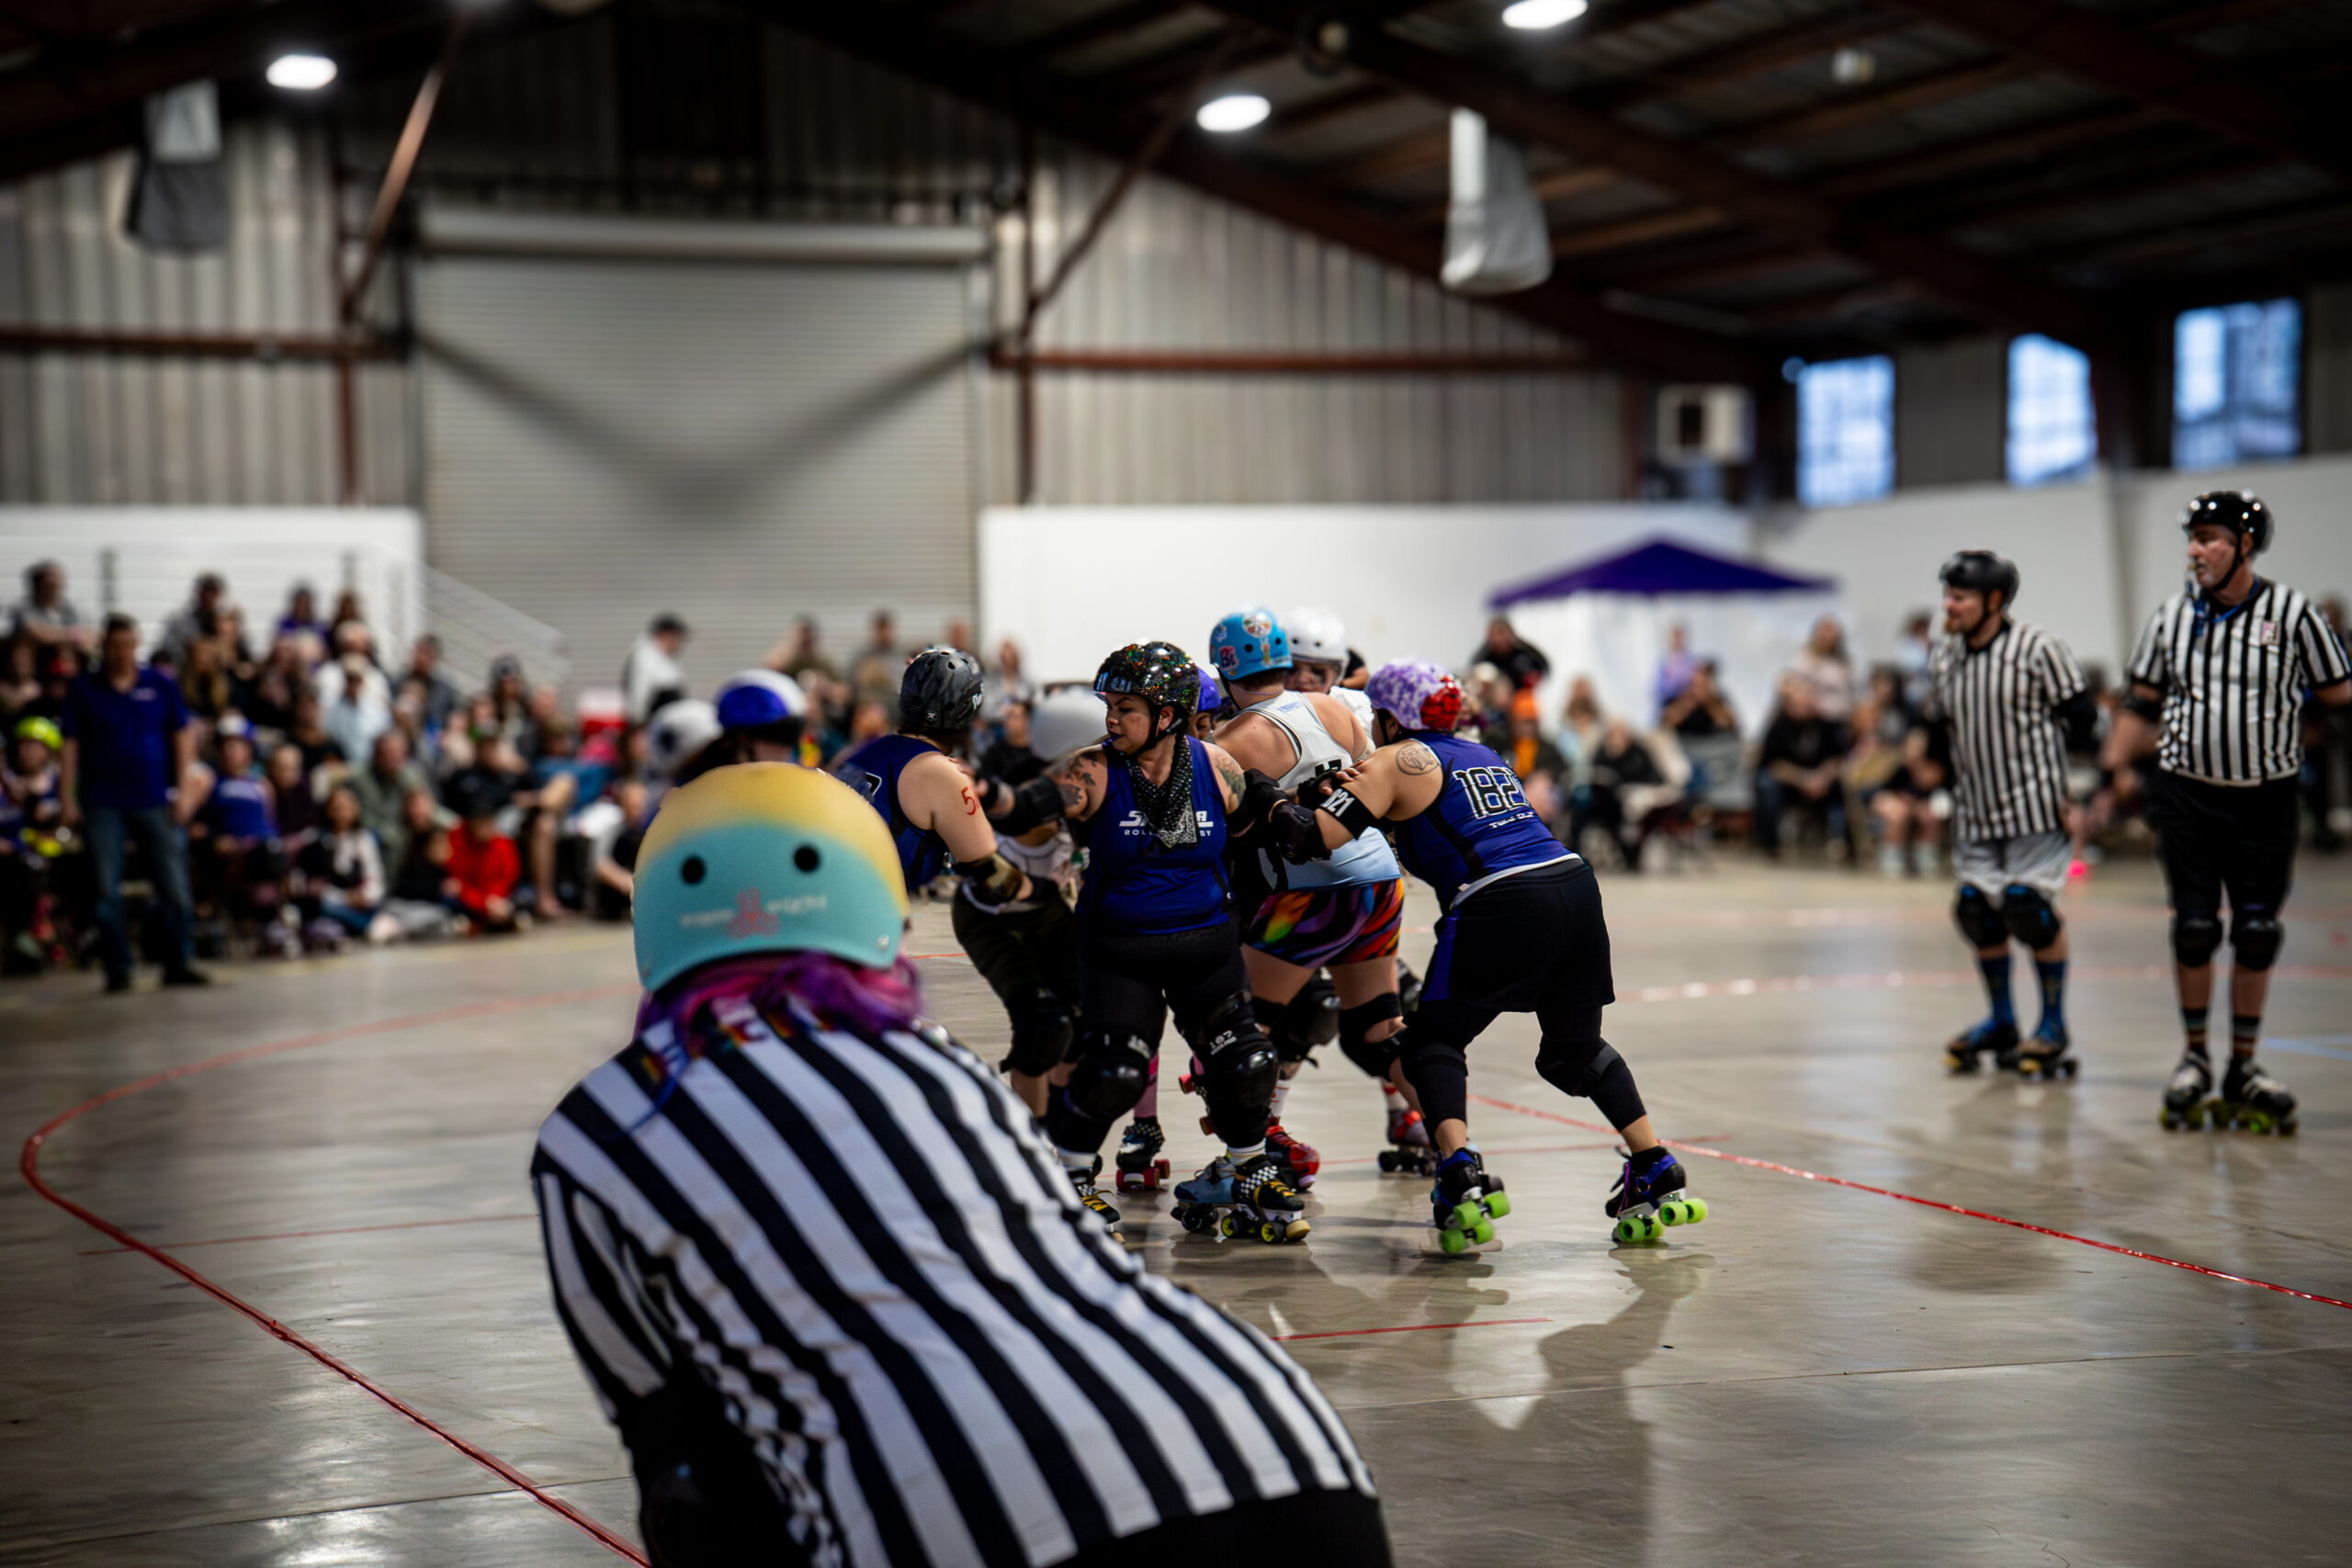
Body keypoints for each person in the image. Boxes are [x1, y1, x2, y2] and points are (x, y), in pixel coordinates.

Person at [530, 762, 1388, 1568]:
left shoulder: (602, 1127)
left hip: (984, 1507)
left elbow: (681, 1468)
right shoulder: (944, 1067)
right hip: (1277, 1445)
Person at [1270, 660, 1707, 1250]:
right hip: (1574, 884)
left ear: (1392, 719)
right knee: (1572, 1053)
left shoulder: (1396, 758)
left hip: (1501, 899)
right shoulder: (1484, 755)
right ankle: (1654, 1162)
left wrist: (1266, 797)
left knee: (1430, 1044)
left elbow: (1310, 838)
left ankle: (1458, 1172)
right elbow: (1433, 824)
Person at [1034, 641, 1301, 1239]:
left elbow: (1254, 825)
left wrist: (1284, 808)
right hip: (1119, 950)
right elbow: (1032, 813)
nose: (1111, 719)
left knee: (1248, 1061)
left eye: (1125, 708)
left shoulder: (1215, 764)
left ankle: (1247, 1166)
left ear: (1167, 715)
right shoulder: (1091, 769)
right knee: (1117, 1072)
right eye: (1108, 706)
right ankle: (1068, 1175)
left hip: (1207, 947)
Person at [2104, 492, 2351, 1133]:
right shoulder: (2170, 617)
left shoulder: (2293, 613)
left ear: (2244, 545)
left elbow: (2339, 694)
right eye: (2192, 538)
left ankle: (2243, 1064)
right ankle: (2194, 1057)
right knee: (2193, 928)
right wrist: (2108, 776)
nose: (2195, 550)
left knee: (2258, 930)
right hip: (2185, 795)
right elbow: (2140, 702)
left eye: (2209, 537)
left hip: (2266, 799)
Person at [1211, 608, 1411, 1191]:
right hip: (1381, 882)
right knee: (1381, 1027)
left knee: (1239, 1029)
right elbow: (1378, 785)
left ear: (1225, 674)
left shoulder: (1231, 742)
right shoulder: (1334, 708)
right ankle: (1454, 1145)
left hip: (1311, 894)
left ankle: (1246, 1161)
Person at [1927, 552, 2098, 1076]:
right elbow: (1940, 732)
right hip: (1976, 815)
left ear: (1994, 601)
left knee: (2028, 910)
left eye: (1960, 597)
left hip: (2035, 811)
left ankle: (2052, 1025)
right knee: (1977, 913)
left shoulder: (2038, 650)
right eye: (1948, 595)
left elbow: (2084, 719)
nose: (1949, 606)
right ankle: (2002, 1021)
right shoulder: (1946, 657)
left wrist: (2078, 792)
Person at [958, 687, 1094, 1118]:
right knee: (1043, 1026)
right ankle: (1029, 1138)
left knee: (1085, 1022)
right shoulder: (1032, 792)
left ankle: (1062, 1131)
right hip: (991, 917)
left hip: (1045, 911)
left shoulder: (1082, 786)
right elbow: (990, 879)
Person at [59, 614, 208, 992]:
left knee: (173, 885)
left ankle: (178, 961)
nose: (122, 653)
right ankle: (118, 968)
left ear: (136, 645)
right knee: (105, 888)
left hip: (154, 798)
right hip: (101, 800)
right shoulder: (83, 689)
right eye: (114, 646)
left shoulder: (160, 685)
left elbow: (181, 738)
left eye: (128, 645)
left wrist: (185, 790)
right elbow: (70, 745)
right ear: (103, 647)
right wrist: (67, 797)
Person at [831, 648, 1023, 902]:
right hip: (866, 911)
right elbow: (993, 876)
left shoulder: (864, 750)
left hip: (826, 896)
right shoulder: (942, 773)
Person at [1754, 679, 1853, 860]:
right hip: (1790, 783)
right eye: (1797, 702)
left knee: (1845, 786)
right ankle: (1770, 844)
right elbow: (1773, 764)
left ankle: (1840, 842)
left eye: (1806, 700)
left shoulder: (1828, 727)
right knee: (1766, 783)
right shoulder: (1778, 727)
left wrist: (1822, 778)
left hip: (1822, 783)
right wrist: (1803, 780)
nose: (1802, 705)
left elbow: (1837, 759)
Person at [297, 784, 393, 947]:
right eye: (336, 808)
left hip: (359, 903)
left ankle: (360, 926)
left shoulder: (363, 839)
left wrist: (365, 896)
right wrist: (345, 897)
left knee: (384, 903)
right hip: (331, 901)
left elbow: (375, 878)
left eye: (346, 808)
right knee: (322, 907)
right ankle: (366, 927)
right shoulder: (316, 840)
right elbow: (311, 885)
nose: (341, 814)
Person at [349, 728, 431, 872]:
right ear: (376, 754)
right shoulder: (361, 781)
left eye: (397, 752)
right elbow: (364, 819)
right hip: (373, 835)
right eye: (387, 752)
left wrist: (454, 824)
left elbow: (426, 807)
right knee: (391, 843)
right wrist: (397, 836)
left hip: (407, 830)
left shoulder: (413, 775)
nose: (393, 757)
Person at [1283, 606, 1375, 730]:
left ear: (1337, 673)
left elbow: (1364, 677)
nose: (1302, 679)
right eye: (1291, 669)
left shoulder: (1360, 714)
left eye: (1317, 671)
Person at [622, 612, 691, 726]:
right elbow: (639, 691)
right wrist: (638, 724)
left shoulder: (662, 656)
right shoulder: (646, 656)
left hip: (665, 721)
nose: (679, 643)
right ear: (666, 635)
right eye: (677, 637)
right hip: (655, 723)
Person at [8, 562, 91, 655]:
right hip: (35, 654)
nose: (54, 589)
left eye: (57, 584)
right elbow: (35, 631)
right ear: (38, 586)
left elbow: (85, 631)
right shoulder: (23, 607)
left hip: (62, 652)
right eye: (49, 585)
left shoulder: (68, 607)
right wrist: (70, 635)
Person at [1787, 615, 1855, 721]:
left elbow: (1850, 690)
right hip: (1812, 714)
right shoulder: (1805, 657)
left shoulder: (1843, 662)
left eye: (1831, 631)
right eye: (1824, 630)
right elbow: (1794, 682)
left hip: (1839, 715)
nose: (1827, 636)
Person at [158, 572, 229, 671]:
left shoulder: (225, 621)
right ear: (198, 593)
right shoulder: (180, 622)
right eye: (206, 592)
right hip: (186, 671)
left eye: (213, 593)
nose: (209, 597)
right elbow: (168, 651)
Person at [401, 634, 459, 737]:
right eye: (419, 651)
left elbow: (452, 719)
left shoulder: (444, 691)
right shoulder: (400, 681)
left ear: (435, 658)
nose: (421, 658)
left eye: (426, 653)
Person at [1471, 615, 1548, 691]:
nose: (1498, 639)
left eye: (1501, 633)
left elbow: (1542, 668)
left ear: (1510, 634)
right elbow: (1474, 675)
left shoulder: (1524, 653)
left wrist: (1533, 677)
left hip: (1522, 694)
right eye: (1493, 634)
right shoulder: (1483, 658)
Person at [849, 609, 904, 712]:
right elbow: (851, 683)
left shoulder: (900, 656)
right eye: (880, 630)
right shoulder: (863, 657)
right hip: (866, 705)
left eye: (886, 629)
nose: (883, 634)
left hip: (893, 705)